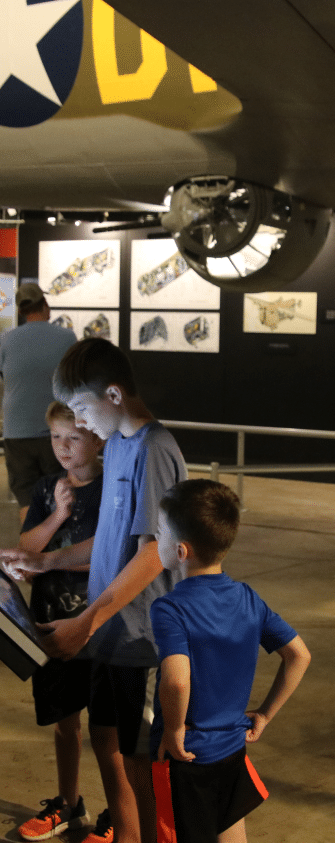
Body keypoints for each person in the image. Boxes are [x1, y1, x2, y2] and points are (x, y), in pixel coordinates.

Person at [1, 338, 187, 843]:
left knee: (144, 763)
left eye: (83, 408)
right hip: (111, 638)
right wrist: (43, 560)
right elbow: (108, 542)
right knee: (111, 745)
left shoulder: (155, 450)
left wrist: (87, 621)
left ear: (112, 394)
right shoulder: (123, 447)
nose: (79, 423)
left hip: (142, 640)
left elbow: (154, 554)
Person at [150, 479, 311, 843]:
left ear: (180, 550)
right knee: (231, 831)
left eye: (159, 532)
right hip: (232, 750)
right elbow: (299, 655)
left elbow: (176, 680)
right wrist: (265, 714)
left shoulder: (170, 608)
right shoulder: (248, 598)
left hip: (188, 757)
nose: (154, 538)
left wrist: (174, 731)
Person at [16, 401, 106, 842]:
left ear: (98, 438)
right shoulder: (47, 487)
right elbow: (28, 550)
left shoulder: (114, 488)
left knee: (112, 726)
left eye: (74, 437)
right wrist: (57, 514)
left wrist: (51, 558)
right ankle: (70, 804)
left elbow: (113, 557)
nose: (63, 448)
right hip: (51, 622)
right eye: (56, 438)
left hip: (100, 623)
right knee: (65, 721)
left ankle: (121, 813)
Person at [0, 282, 77, 524]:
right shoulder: (67, 337)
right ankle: (57, 552)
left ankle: (30, 548)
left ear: (21, 312)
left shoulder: (6, 340)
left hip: (17, 433)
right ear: (46, 305)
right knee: (60, 494)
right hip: (56, 432)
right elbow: (76, 378)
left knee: (26, 498)